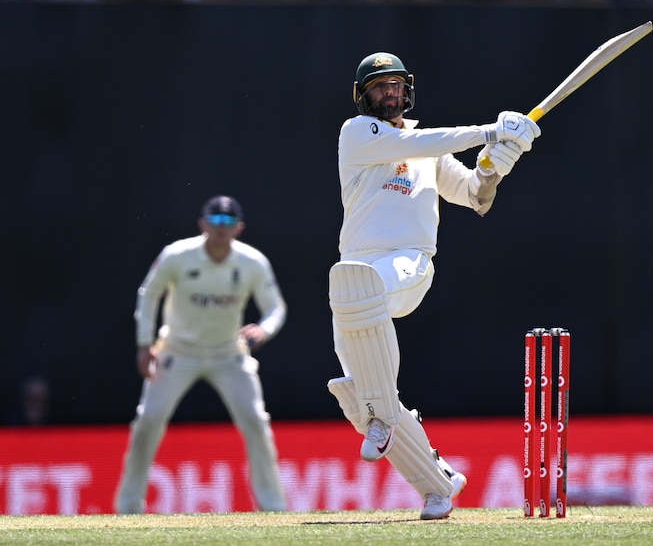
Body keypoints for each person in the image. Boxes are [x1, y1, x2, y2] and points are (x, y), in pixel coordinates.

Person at [326, 52, 540, 520]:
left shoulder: (429, 151)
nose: (390, 93)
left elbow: (474, 196)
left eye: (397, 85)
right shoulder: (358, 134)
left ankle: (381, 418)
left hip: (408, 263)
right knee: (358, 394)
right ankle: (438, 485)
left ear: (409, 89)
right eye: (380, 86)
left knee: (368, 296)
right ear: (363, 96)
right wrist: (491, 132)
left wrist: (496, 165)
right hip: (354, 274)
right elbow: (427, 140)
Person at [115, 195, 287, 514]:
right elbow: (149, 294)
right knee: (148, 421)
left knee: (256, 423)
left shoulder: (252, 262)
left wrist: (264, 329)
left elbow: (276, 307)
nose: (221, 229)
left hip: (228, 354)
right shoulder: (177, 255)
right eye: (215, 222)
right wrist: (144, 344)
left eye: (228, 223)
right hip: (177, 351)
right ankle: (128, 507)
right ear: (202, 224)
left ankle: (273, 507)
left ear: (239, 228)